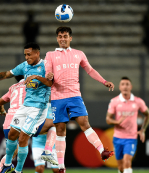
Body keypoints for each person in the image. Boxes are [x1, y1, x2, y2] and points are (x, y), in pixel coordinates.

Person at [44, 26, 115, 173]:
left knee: (85, 123)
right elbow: (47, 72)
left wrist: (103, 81)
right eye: (60, 36)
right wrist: (49, 76)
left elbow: (89, 70)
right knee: (60, 130)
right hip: (58, 97)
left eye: (65, 36)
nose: (62, 39)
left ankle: (102, 150)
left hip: (75, 96)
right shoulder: (50, 55)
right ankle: (61, 166)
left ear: (71, 38)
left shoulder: (79, 54)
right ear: (57, 38)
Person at [0, 42, 55, 173]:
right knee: (12, 133)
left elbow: (50, 83)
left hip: (38, 108)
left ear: (37, 53)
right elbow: (7, 74)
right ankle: (7, 164)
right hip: (25, 106)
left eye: (29, 54)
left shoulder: (46, 65)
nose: (26, 57)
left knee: (23, 137)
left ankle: (19, 170)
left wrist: (37, 77)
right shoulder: (24, 66)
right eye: (25, 55)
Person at [106, 77, 149, 173]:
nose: (125, 86)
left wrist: (143, 129)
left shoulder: (138, 101)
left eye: (127, 84)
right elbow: (108, 119)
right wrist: (117, 122)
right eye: (123, 84)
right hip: (117, 137)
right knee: (121, 167)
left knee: (127, 161)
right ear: (119, 87)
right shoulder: (114, 101)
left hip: (131, 137)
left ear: (131, 87)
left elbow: (148, 114)